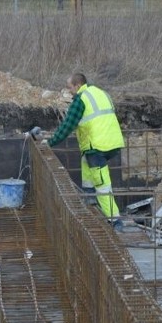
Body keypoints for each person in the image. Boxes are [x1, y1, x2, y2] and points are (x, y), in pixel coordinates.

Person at [44, 73, 125, 231]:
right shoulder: (100, 93)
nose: (69, 92)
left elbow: (67, 126)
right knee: (85, 159)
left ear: (77, 85)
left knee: (102, 183)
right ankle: (89, 196)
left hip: (97, 147)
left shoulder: (80, 100)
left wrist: (50, 143)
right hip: (113, 142)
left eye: (70, 88)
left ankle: (115, 221)